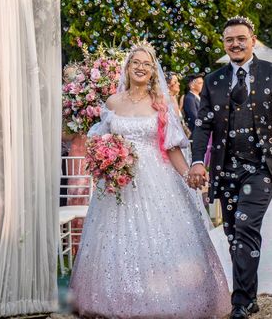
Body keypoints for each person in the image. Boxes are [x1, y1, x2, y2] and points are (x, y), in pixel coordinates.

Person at [69, 42, 230, 318]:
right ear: (127, 68)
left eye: (147, 64)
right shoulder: (112, 103)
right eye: (136, 63)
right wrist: (107, 160)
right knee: (117, 241)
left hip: (157, 180)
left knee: (159, 239)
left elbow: (171, 147)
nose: (141, 67)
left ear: (153, 71)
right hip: (117, 183)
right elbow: (99, 140)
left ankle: (164, 298)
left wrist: (188, 174)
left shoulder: (160, 104)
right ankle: (118, 297)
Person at [188, 16, 272, 319]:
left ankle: (240, 303)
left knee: (247, 225)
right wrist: (198, 161)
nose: (235, 44)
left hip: (261, 167)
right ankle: (250, 296)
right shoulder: (214, 80)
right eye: (228, 40)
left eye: (240, 38)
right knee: (235, 233)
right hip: (225, 167)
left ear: (252, 39)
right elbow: (202, 126)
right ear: (223, 43)